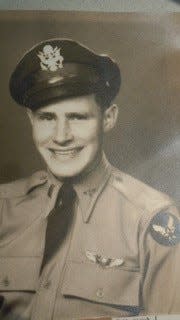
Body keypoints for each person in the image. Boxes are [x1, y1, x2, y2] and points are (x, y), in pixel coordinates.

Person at [0, 38, 179, 320]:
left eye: (77, 117)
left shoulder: (151, 219)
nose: (60, 136)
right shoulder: (3, 209)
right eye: (47, 118)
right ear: (31, 121)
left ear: (108, 118)